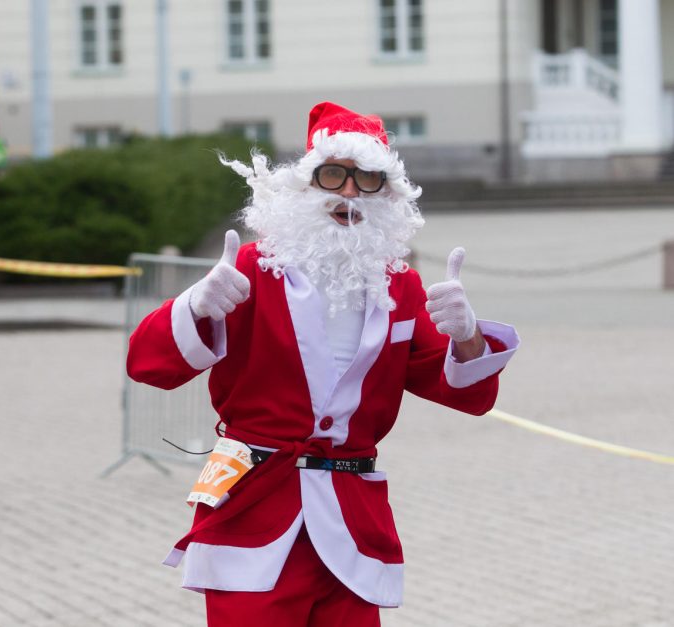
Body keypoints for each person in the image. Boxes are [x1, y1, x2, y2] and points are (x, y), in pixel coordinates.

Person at [126, 102, 520, 626]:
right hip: (256, 512)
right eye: (334, 175)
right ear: (307, 184)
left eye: (368, 180)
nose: (350, 193)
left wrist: (467, 335)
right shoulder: (249, 269)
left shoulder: (397, 285)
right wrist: (196, 305)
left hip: (352, 524)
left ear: (388, 194)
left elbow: (468, 395)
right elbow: (147, 365)